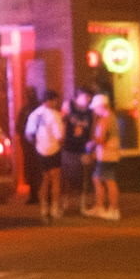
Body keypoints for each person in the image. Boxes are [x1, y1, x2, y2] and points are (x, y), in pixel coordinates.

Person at [27, 92, 65, 221]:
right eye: (55, 101)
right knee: (55, 179)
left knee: (44, 180)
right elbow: (59, 137)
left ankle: (44, 208)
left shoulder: (34, 114)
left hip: (40, 150)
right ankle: (54, 208)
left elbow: (29, 134)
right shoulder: (54, 115)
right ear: (51, 101)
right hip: (53, 150)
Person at [60, 88, 94, 216]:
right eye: (86, 96)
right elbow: (62, 122)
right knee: (67, 177)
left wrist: (90, 148)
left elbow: (92, 128)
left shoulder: (90, 112)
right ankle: (65, 203)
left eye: (90, 97)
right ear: (78, 96)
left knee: (82, 177)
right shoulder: (69, 106)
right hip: (69, 147)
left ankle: (82, 204)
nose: (89, 99)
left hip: (83, 148)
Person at [90, 91, 122, 220]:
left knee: (107, 181)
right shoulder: (112, 117)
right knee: (100, 179)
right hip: (110, 154)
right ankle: (102, 207)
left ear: (101, 106)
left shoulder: (105, 119)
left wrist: (91, 144)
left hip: (106, 155)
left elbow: (100, 138)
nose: (94, 111)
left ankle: (112, 210)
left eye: (95, 108)